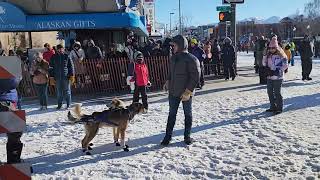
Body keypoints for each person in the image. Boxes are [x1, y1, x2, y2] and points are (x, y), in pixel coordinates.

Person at [161, 35, 200, 146]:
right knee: (171, 114)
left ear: (181, 45)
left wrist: (188, 91)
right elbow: (171, 73)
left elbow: (195, 76)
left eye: (174, 45)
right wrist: (167, 81)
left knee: (187, 114)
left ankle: (187, 136)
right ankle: (167, 137)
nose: (173, 48)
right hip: (173, 92)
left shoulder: (192, 59)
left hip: (185, 94)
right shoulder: (173, 58)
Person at [0, 58, 23, 164]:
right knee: (15, 132)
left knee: (15, 132)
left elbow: (13, 82)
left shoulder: (7, 60)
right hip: (6, 101)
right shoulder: (7, 61)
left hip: (7, 101)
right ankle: (14, 161)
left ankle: (14, 161)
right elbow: (13, 81)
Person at [262, 37, 288, 115]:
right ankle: (272, 106)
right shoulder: (268, 55)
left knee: (277, 92)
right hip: (270, 76)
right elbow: (264, 63)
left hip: (278, 77)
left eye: (273, 48)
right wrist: (264, 56)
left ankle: (279, 107)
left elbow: (285, 65)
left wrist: (279, 71)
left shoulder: (282, 55)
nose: (271, 49)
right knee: (269, 92)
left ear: (276, 47)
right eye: (270, 48)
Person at [49, 44, 75, 109]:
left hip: (66, 77)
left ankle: (68, 104)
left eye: (61, 48)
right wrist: (51, 77)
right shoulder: (53, 57)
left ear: (63, 49)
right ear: (57, 49)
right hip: (57, 77)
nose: (60, 50)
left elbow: (71, 67)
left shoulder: (67, 56)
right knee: (59, 92)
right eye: (59, 49)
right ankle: (59, 104)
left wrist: (72, 75)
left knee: (67, 91)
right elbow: (51, 68)